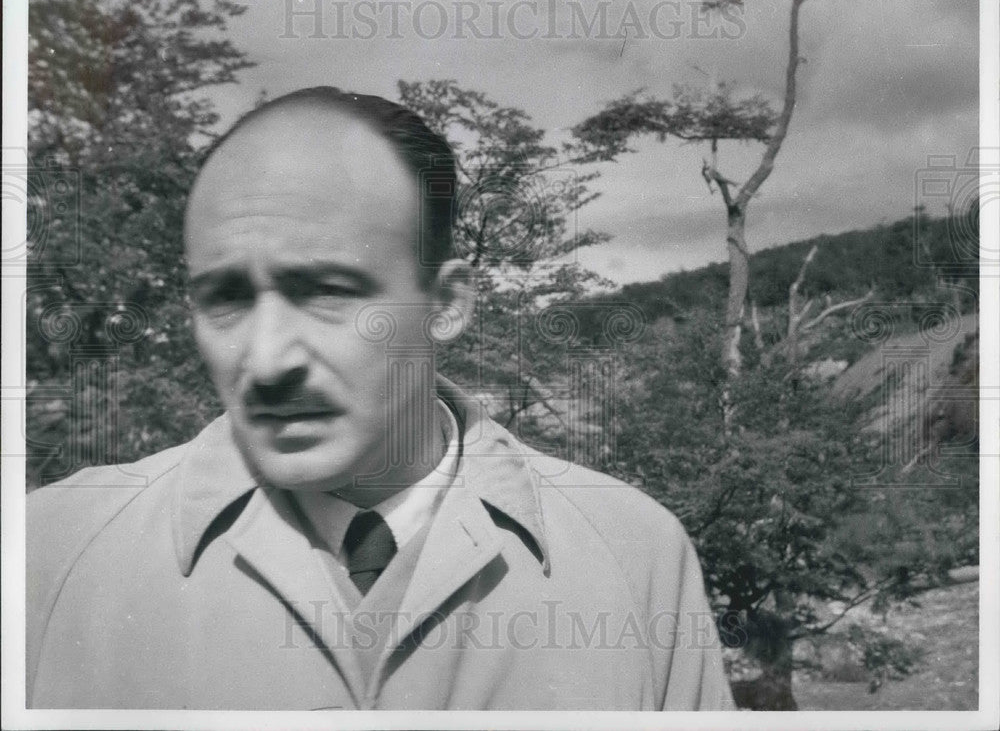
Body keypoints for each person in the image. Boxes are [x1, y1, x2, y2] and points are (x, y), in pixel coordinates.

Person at [26, 87, 735, 711]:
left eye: (328, 292)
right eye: (227, 298)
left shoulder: (633, 555)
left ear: (448, 303)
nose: (268, 360)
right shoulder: (47, 554)